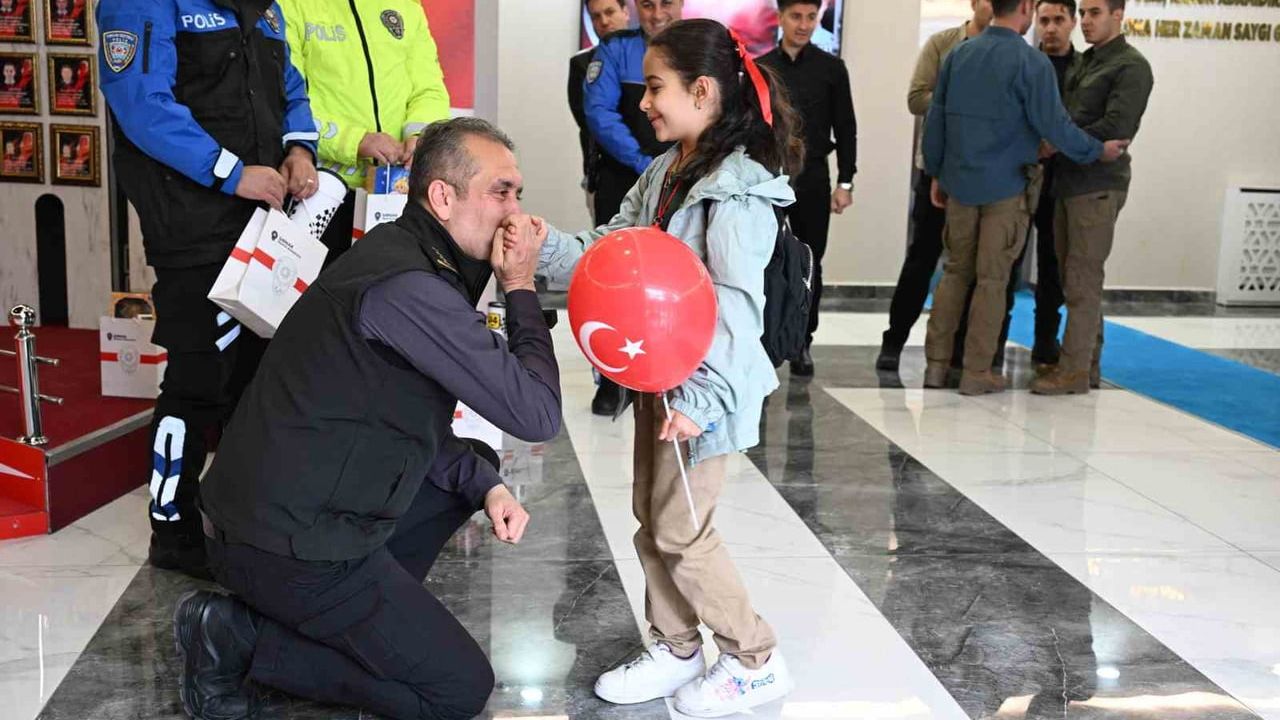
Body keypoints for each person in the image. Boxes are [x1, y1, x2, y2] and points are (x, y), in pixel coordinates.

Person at [174, 118, 561, 720]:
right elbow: (536, 413)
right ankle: (239, 637)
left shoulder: (404, 256)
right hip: (284, 547)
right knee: (455, 691)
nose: (517, 214)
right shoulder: (411, 288)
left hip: (282, 510)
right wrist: (518, 284)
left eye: (517, 194)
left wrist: (488, 486)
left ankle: (352, 610)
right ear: (442, 197)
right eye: (501, 192)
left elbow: (394, 408)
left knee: (475, 467)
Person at [530, 18, 800, 717]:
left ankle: (754, 658)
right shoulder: (670, 168)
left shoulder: (735, 192)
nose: (642, 102)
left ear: (702, 90)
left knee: (682, 529)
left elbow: (737, 312)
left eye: (655, 88)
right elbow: (614, 245)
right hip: (661, 377)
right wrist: (544, 246)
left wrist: (703, 400)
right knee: (651, 519)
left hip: (707, 391)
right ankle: (676, 642)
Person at [97, 0, 319, 580]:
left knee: (260, 378)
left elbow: (290, 85)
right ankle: (172, 530)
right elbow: (142, 105)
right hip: (192, 226)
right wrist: (229, 170)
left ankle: (245, 518)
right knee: (197, 382)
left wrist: (300, 148)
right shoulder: (142, 3)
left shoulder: (265, 10)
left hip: (264, 227)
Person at [921, 0, 1128, 395]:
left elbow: (936, 120)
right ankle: (976, 372)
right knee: (992, 280)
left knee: (954, 273)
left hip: (961, 186)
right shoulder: (1032, 63)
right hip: (1007, 188)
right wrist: (1095, 151)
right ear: (1027, 8)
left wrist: (936, 172)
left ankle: (936, 365)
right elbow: (1056, 125)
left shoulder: (960, 53)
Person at [1032, 0, 1152, 394]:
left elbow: (1116, 125)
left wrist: (1059, 141)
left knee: (1082, 280)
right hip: (1069, 181)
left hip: (1097, 183)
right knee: (1074, 279)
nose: (1085, 21)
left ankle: (1073, 372)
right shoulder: (1086, 63)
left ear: (1119, 15)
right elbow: (1066, 115)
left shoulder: (1130, 66)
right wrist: (1063, 136)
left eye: (1094, 13)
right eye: (1082, 13)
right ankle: (1086, 364)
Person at [280, 0, 451, 265]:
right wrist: (354, 140)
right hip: (320, 194)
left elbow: (428, 89)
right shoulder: (290, 5)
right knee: (313, 300)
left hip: (397, 193)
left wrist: (421, 138)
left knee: (391, 298)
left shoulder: (406, 6)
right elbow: (285, 99)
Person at [876, 0, 992, 373]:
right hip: (937, 169)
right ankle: (894, 339)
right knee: (921, 260)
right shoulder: (943, 44)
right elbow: (916, 98)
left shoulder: (1007, 52)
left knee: (972, 266)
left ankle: (958, 351)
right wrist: (958, 102)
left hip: (982, 175)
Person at [581, 0, 682, 416]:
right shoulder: (615, 49)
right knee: (615, 279)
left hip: (683, 179)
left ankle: (672, 368)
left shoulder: (695, 46)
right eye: (648, 4)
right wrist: (647, 165)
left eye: (667, 3)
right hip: (624, 179)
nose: (657, 13)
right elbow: (599, 113)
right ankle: (610, 378)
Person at [758, 0, 857, 378]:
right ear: (781, 17)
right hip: (769, 179)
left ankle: (802, 343)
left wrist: (846, 181)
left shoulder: (832, 69)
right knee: (767, 262)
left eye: (811, 17)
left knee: (810, 264)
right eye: (796, 16)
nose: (803, 25)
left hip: (813, 179)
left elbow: (846, 127)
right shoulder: (762, 68)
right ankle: (767, 339)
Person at [1029, 0, 1078, 371]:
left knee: (1052, 265)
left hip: (1064, 180)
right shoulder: (1025, 63)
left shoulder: (1085, 69)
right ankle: (991, 343)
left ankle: (1045, 341)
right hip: (1020, 174)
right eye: (1044, 20)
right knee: (1005, 262)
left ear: (1072, 22)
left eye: (1058, 20)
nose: (1050, 28)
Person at [569, 0, 632, 215]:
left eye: (609, 12)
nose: (604, 21)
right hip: (608, 176)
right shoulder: (583, 65)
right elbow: (593, 124)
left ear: (626, 12)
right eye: (596, 16)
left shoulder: (653, 58)